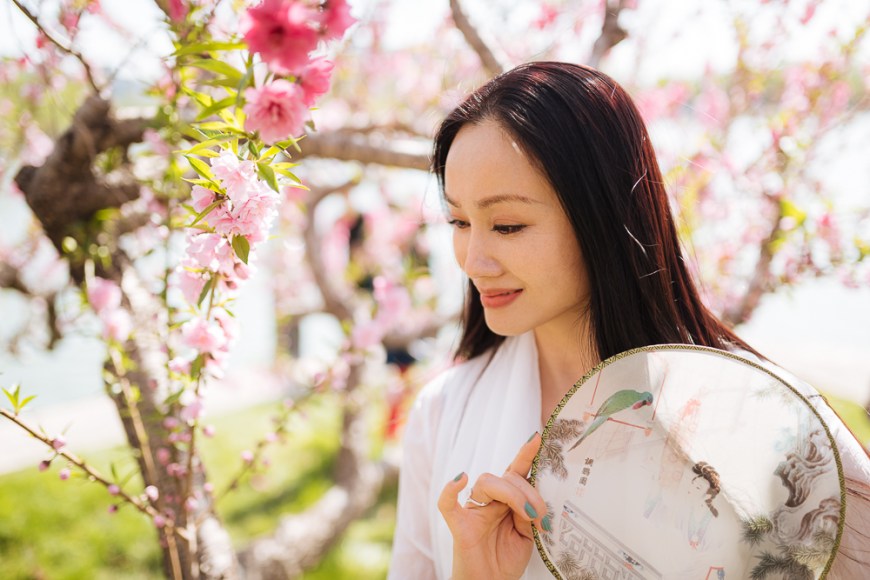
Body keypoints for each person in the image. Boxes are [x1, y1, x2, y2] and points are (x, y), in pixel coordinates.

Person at [388, 62, 870, 579]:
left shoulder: (765, 418)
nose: (472, 260)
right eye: (459, 222)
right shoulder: (443, 414)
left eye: (507, 225)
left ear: (603, 216)